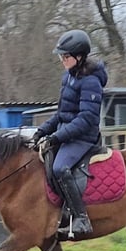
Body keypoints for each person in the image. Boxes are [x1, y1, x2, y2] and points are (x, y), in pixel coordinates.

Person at [31, 29, 108, 236]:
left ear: (79, 56)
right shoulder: (68, 77)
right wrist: (42, 132)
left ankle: (81, 219)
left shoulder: (90, 81)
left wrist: (56, 137)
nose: (62, 60)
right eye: (61, 56)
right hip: (67, 133)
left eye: (66, 56)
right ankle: (61, 211)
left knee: (60, 167)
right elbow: (61, 114)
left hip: (83, 137)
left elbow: (87, 119)